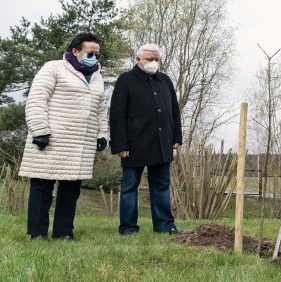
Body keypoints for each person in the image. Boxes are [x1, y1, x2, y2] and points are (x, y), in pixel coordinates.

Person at [19, 32, 108, 241]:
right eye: (90, 53)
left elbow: (101, 108)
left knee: (71, 190)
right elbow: (37, 98)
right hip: (52, 138)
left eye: (96, 53)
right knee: (42, 187)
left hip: (81, 143)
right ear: (75, 51)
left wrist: (102, 133)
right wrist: (39, 129)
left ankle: (64, 232)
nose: (94, 57)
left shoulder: (97, 76)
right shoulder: (53, 68)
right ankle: (38, 233)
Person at [109, 44, 184, 235]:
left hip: (162, 143)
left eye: (157, 59)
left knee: (161, 187)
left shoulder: (165, 80)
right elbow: (117, 114)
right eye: (150, 59)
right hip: (134, 145)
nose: (154, 63)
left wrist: (176, 136)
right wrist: (120, 144)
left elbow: (174, 111)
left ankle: (165, 226)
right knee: (129, 188)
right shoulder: (125, 80)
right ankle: (128, 228)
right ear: (138, 59)